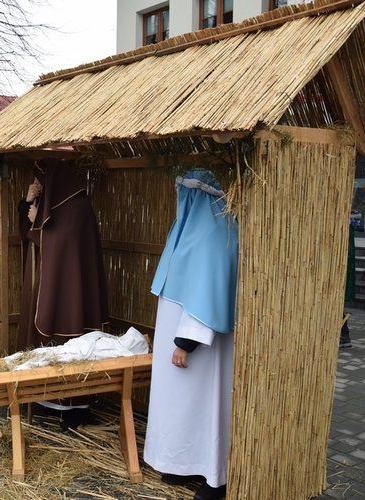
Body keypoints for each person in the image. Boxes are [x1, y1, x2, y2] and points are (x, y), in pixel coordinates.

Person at [143, 169, 238, 500]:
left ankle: (214, 478)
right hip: (179, 343)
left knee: (203, 408)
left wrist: (186, 342)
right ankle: (182, 463)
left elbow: (208, 289)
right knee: (178, 406)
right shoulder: (189, 229)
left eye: (185, 192)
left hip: (199, 350)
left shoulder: (214, 232)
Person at [17, 157, 109, 352]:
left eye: (38, 180)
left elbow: (64, 242)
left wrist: (38, 226)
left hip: (66, 277)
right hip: (42, 272)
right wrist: (27, 202)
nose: (35, 185)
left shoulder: (77, 205)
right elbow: (26, 233)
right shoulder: (46, 201)